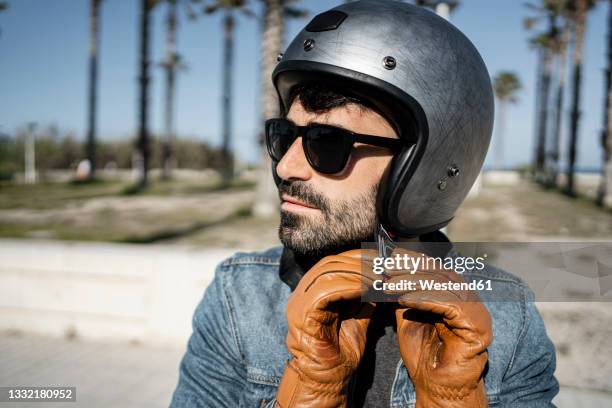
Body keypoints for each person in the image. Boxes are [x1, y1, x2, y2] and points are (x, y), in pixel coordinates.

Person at [170, 1, 559, 407]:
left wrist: (452, 399)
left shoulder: (506, 316)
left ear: (429, 166)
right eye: (285, 135)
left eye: (328, 143)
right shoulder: (240, 297)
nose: (286, 166)